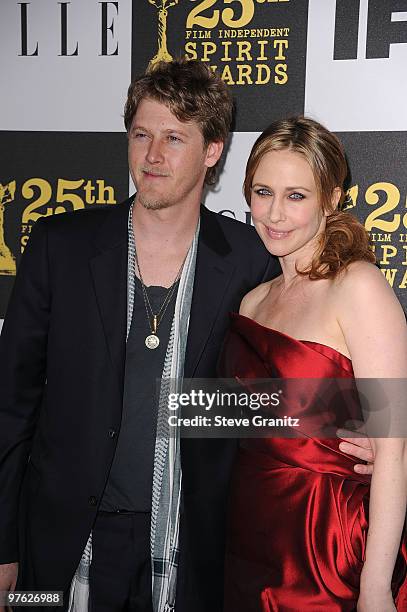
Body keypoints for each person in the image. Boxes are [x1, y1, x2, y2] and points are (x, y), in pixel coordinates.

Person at [0, 62, 374, 612]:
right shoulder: (60, 247)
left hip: (192, 554)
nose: (152, 155)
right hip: (53, 549)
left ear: (212, 151)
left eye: (174, 138)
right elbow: (11, 405)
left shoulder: (254, 259)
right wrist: (3, 543)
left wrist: (356, 428)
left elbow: (261, 393)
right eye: (142, 134)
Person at [219, 116, 407, 611]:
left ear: (332, 199)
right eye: (263, 191)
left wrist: (375, 586)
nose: (274, 214)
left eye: (296, 196)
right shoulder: (252, 302)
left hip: (328, 551)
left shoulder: (358, 287)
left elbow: (393, 449)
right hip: (248, 544)